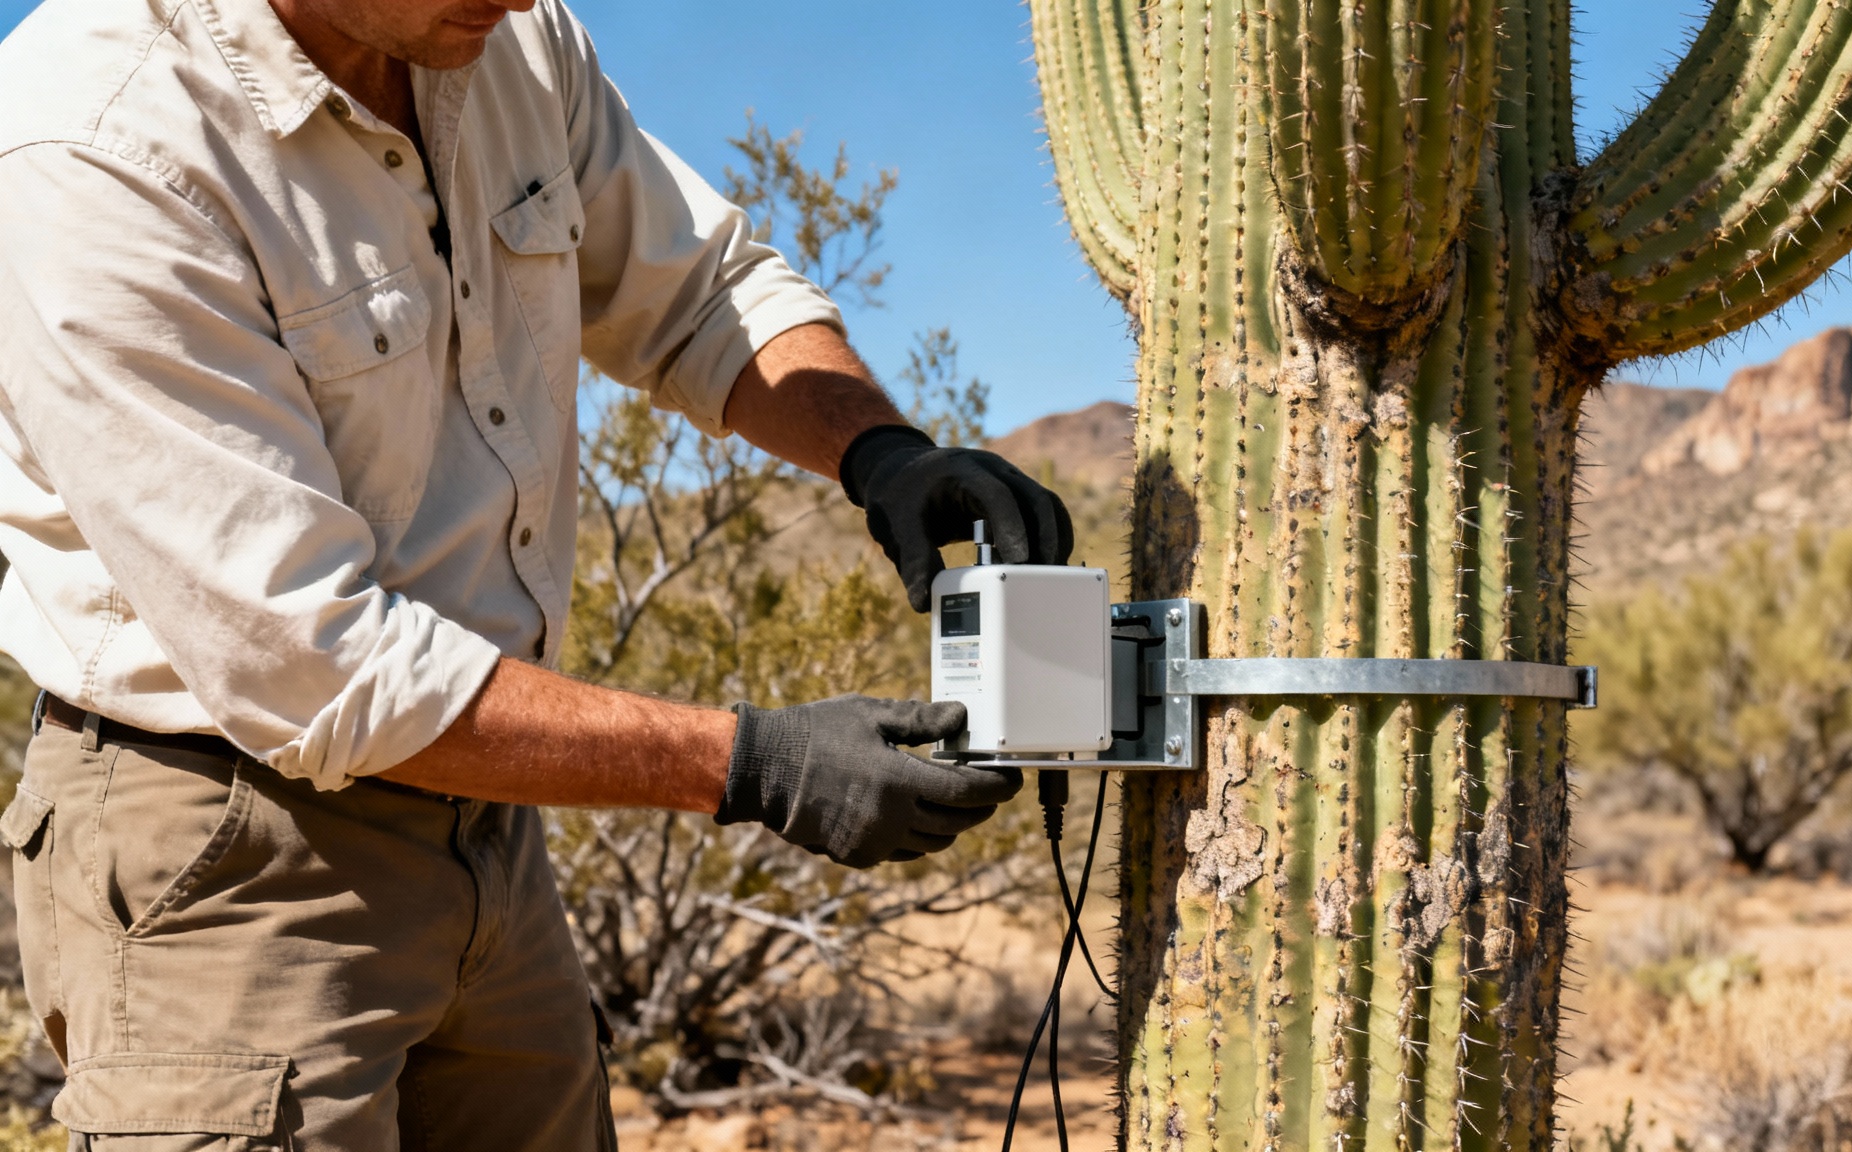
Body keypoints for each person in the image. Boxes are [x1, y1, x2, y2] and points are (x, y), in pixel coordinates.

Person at [0, 0, 1072, 1146]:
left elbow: (697, 290)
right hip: (231, 849)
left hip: (495, 816)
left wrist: (877, 451)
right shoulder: (95, 144)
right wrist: (755, 765)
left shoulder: (501, 37)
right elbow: (312, 664)